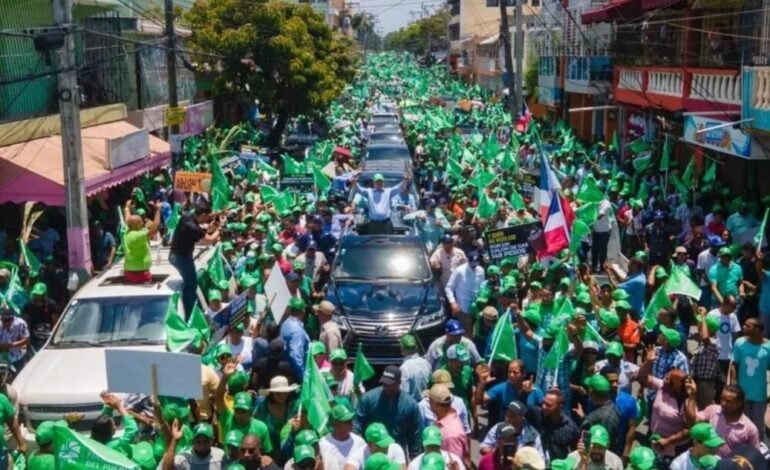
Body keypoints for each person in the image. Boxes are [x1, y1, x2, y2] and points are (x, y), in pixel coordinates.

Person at [354, 366, 423, 459]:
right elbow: (357, 424)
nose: (388, 387)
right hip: (372, 453)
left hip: (397, 455)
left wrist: (415, 461)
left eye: (392, 384)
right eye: (385, 384)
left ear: (399, 382)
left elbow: (415, 437)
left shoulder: (411, 405)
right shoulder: (368, 399)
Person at [638, 346, 690, 459]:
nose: (664, 380)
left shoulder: (685, 403)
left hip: (674, 448)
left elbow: (689, 429)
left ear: (675, 385)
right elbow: (642, 378)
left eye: (667, 379)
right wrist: (648, 362)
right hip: (656, 440)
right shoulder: (662, 386)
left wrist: (667, 441)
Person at [170, 204, 220, 316]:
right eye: (207, 218)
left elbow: (199, 228)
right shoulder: (193, 227)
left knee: (189, 282)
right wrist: (219, 230)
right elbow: (210, 240)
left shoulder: (186, 217)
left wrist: (211, 223)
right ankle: (189, 314)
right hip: (182, 258)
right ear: (202, 215)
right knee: (192, 285)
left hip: (176, 255)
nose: (208, 220)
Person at [685, 381, 760, 457]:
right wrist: (692, 396)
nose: (723, 403)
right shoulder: (713, 410)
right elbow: (692, 422)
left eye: (729, 401)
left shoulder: (750, 429)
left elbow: (754, 456)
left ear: (739, 404)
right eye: (722, 399)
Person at [728, 317, 770, 436]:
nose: (744, 327)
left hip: (760, 394)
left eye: (748, 326)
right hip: (742, 392)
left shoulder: (768, 347)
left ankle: (758, 450)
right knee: (741, 423)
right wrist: (733, 385)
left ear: (757, 330)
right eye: (744, 325)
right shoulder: (740, 343)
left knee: (757, 425)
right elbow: (734, 364)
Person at [475, 359, 543, 427]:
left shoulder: (535, 391)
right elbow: (478, 401)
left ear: (524, 374)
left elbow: (545, 411)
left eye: (515, 373)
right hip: (506, 431)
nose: (511, 375)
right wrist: (482, 383)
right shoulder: (501, 388)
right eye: (509, 372)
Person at [525, 389, 579, 461]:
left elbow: (576, 451)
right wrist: (525, 394)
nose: (544, 407)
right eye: (543, 403)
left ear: (560, 406)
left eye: (549, 405)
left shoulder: (570, 428)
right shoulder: (538, 415)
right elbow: (522, 409)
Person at [424, 384, 469, 466]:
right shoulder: (444, 419)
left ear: (435, 404)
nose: (428, 402)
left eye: (429, 400)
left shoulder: (451, 435)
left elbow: (453, 464)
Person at [445, 252, 485, 336]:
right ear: (468, 260)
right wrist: (453, 303)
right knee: (467, 332)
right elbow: (448, 288)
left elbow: (482, 287)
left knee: (479, 330)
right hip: (464, 307)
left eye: (476, 263)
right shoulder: (459, 271)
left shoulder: (481, 271)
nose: (474, 265)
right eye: (472, 263)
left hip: (477, 306)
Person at [574, 375, 620, 445]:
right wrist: (583, 417)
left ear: (591, 391)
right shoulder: (610, 406)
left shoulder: (605, 417)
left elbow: (603, 442)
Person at [123, 199, 161, 284]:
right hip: (139, 273)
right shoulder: (138, 235)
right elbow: (154, 230)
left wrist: (126, 208)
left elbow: (128, 219)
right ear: (137, 225)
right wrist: (158, 211)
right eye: (140, 221)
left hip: (128, 271)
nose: (143, 222)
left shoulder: (126, 231)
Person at [321, 404, 367, 470]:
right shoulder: (323, 444)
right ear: (335, 424)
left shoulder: (359, 441)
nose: (351, 423)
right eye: (346, 421)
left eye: (350, 420)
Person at [280, 297, 310, 382]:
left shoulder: (286, 323)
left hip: (289, 370)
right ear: (303, 311)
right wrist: (303, 376)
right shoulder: (297, 330)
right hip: (295, 374)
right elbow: (295, 354)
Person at [22, 282, 57, 351]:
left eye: (39, 295)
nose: (37, 296)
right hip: (34, 337)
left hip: (48, 335)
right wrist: (27, 337)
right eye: (36, 294)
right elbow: (25, 321)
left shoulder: (51, 304)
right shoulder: (28, 305)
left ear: (44, 294)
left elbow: (55, 321)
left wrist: (54, 335)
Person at [399, 334, 432, 403]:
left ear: (402, 349)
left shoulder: (404, 368)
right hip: (427, 403)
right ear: (417, 348)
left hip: (413, 405)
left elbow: (404, 393)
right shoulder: (427, 363)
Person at [0, 308, 29, 372]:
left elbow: (27, 339)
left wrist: (12, 345)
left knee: (19, 376)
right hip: (1, 358)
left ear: (12, 320)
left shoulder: (20, 323)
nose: (5, 324)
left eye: (8, 322)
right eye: (3, 322)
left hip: (16, 357)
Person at [591, 198, 612, 273]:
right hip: (596, 230)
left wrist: (590, 220)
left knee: (602, 250)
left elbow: (601, 215)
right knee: (594, 249)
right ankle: (594, 266)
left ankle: (603, 268)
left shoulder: (605, 203)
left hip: (604, 231)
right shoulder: (594, 201)